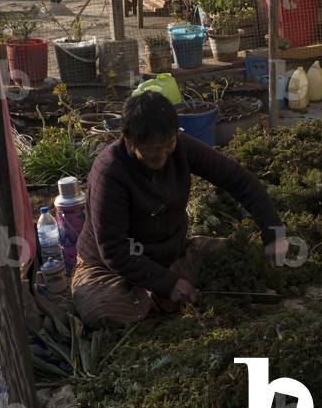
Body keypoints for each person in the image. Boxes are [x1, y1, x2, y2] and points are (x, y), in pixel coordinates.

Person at [71, 91, 285, 329]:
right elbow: (114, 250)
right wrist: (168, 283)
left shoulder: (180, 147)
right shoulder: (109, 172)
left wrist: (273, 232)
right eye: (152, 150)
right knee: (101, 311)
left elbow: (238, 180)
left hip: (169, 254)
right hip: (111, 269)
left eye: (168, 145)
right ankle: (162, 295)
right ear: (130, 140)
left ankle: (160, 297)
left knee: (239, 257)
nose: (162, 156)